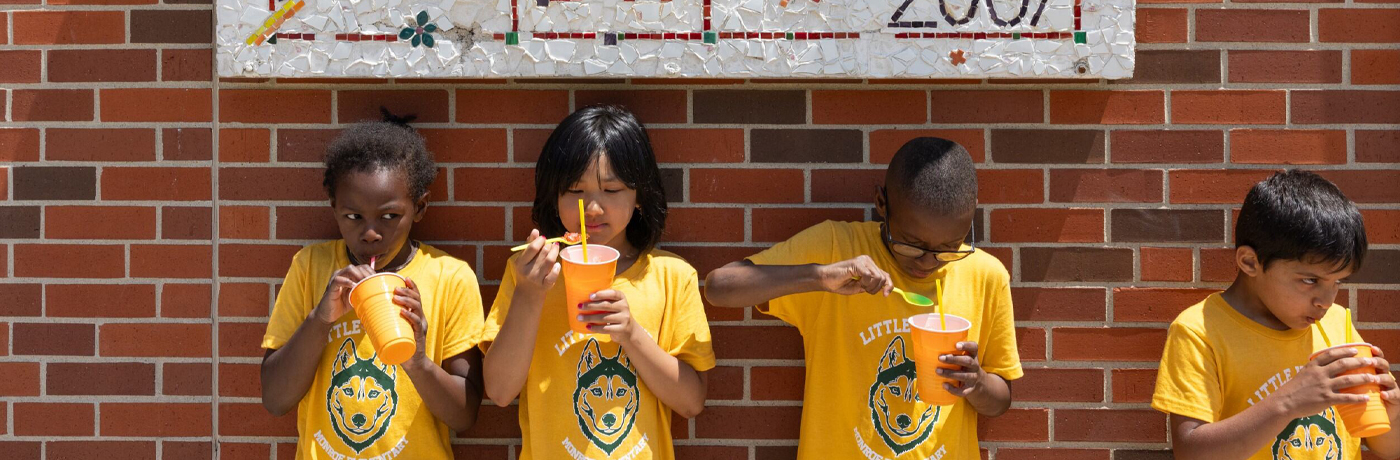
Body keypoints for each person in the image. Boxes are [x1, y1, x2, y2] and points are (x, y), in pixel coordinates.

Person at [704, 137, 1021, 459]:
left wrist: (976, 382)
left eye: (949, 248)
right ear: (881, 204)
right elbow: (719, 287)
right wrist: (820, 276)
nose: (928, 261)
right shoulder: (836, 247)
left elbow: (1000, 401)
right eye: (911, 244)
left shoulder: (985, 275)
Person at [481, 105, 714, 460]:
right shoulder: (527, 271)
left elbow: (692, 402)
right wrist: (529, 294)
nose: (592, 208)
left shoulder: (672, 276)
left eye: (612, 189)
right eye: (575, 191)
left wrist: (632, 335)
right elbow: (498, 391)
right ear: (553, 195)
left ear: (639, 196)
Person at [260, 112, 485, 459]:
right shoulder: (310, 267)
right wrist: (321, 318)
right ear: (333, 208)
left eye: (389, 216)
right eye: (353, 217)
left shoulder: (450, 277)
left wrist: (418, 360)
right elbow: (275, 399)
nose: (370, 232)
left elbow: (464, 415)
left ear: (420, 208)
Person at [1152, 169, 1400, 460]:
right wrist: (1289, 402)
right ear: (1250, 262)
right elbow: (1191, 452)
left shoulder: (1337, 323)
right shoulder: (1200, 331)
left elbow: (1390, 449)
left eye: (1338, 282)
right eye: (1310, 280)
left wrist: (1392, 415)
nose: (1325, 300)